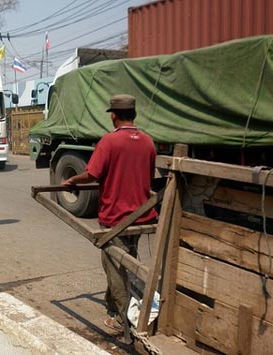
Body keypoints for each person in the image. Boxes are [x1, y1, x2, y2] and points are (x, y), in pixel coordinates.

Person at [63, 94, 158, 333]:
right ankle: (113, 304)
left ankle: (123, 319)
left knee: (114, 265)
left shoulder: (109, 142)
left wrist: (73, 179)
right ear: (134, 115)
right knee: (125, 259)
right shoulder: (148, 142)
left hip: (116, 218)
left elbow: (92, 174)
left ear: (113, 116)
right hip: (140, 216)